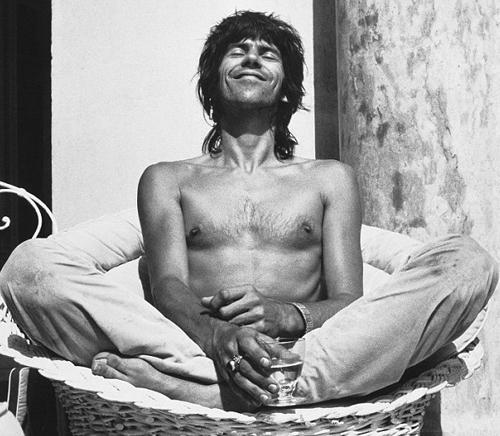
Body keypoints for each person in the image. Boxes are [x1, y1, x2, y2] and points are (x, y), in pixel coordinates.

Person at [0, 11, 497, 412]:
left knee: (469, 263)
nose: (252, 56)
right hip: (194, 345)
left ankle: (212, 393)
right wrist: (217, 335)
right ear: (212, 83)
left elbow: (349, 300)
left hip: (308, 353)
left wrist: (288, 315)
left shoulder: (329, 179)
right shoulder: (168, 179)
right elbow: (168, 286)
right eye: (237, 50)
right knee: (27, 269)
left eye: (268, 52)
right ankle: (234, 385)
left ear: (286, 88)